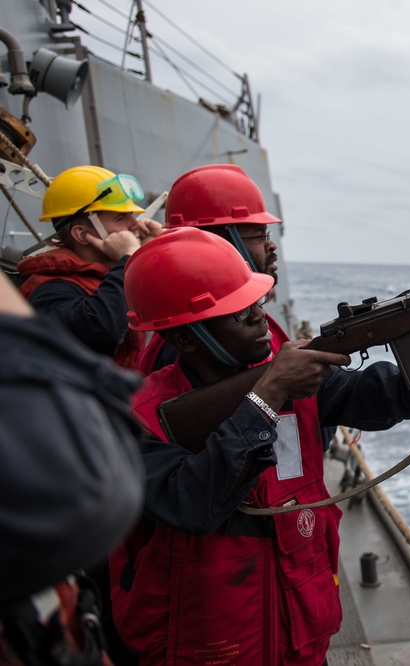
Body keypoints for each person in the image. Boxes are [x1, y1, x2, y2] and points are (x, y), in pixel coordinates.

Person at [110, 228, 410, 665]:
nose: (261, 318)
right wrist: (267, 398)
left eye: (258, 304)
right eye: (240, 314)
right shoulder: (138, 416)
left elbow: (395, 396)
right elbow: (190, 503)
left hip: (299, 633)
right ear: (185, 339)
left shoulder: (295, 376)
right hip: (202, 647)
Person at [0, 272, 145, 665]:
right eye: (118, 218)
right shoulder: (54, 290)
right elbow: (89, 490)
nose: (131, 223)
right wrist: (127, 262)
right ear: (83, 231)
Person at [134, 164, 281, 375]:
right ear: (219, 242)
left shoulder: (200, 334)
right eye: (259, 235)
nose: (271, 246)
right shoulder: (191, 345)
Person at [16, 165, 162, 369]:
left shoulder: (114, 273)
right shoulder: (48, 290)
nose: (135, 225)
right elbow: (101, 329)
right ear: (81, 234)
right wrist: (128, 257)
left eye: (132, 215)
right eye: (120, 218)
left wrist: (157, 249)